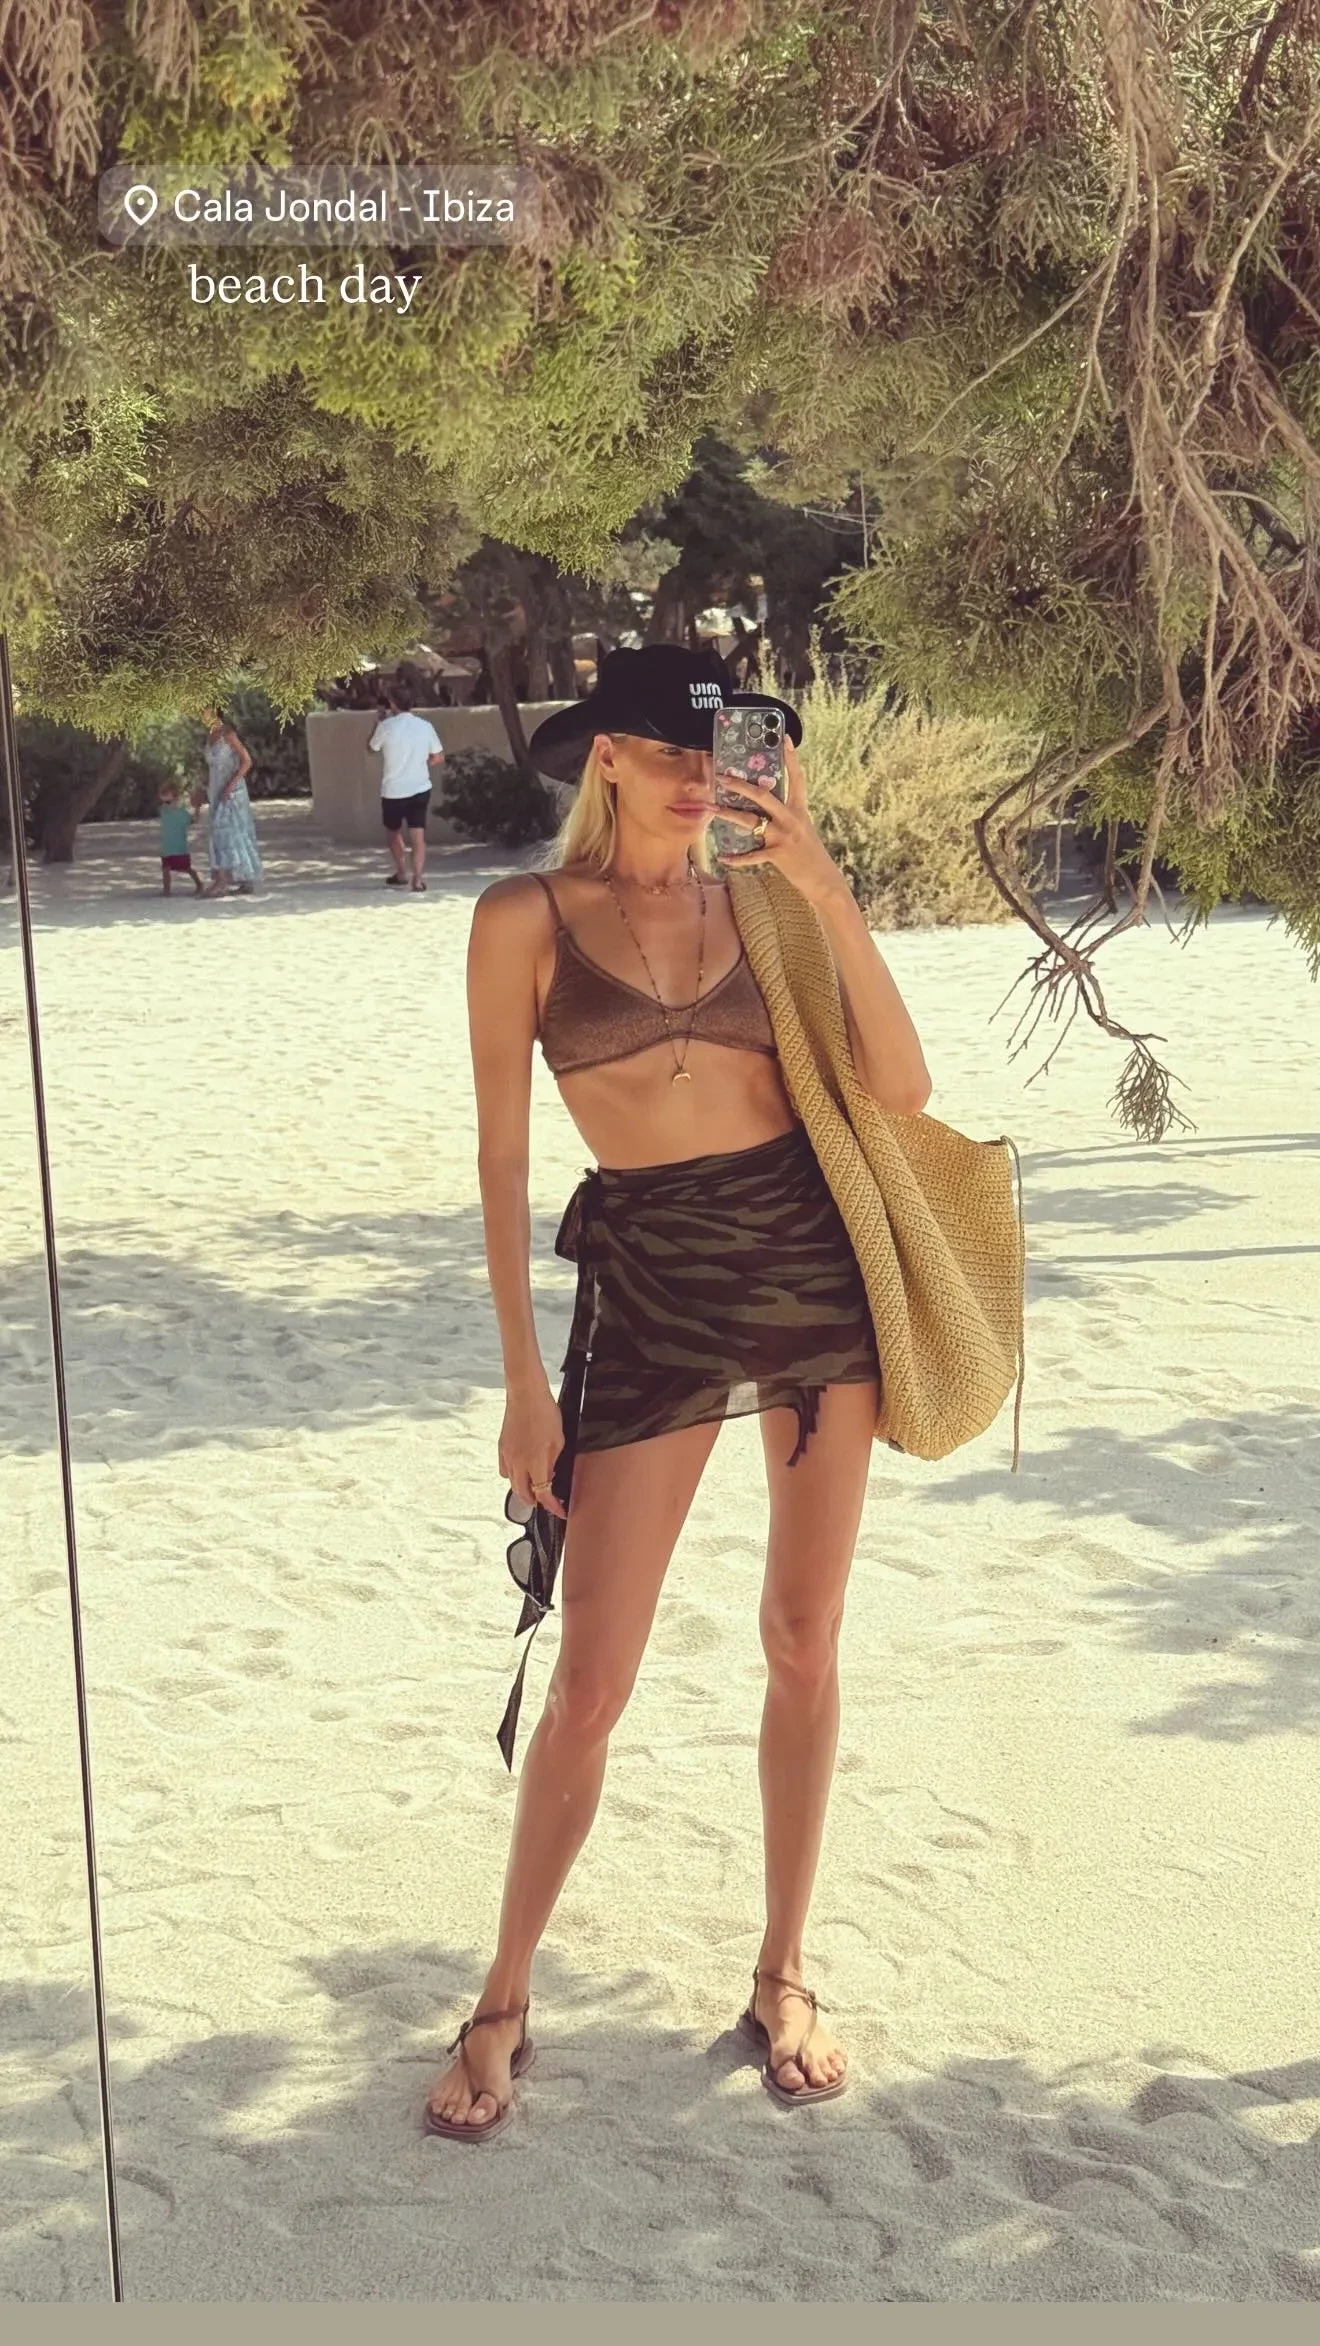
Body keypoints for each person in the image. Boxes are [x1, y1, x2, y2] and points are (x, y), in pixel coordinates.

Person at [424, 643, 932, 2144]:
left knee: (803, 1634)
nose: (703, 777)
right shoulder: (522, 920)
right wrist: (524, 1380)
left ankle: (784, 1972)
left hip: (807, 1274)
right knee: (591, 1679)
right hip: (646, 1288)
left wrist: (825, 883)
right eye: (672, 751)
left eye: (720, 751)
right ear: (606, 755)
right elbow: (503, 1157)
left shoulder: (768, 904)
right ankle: (502, 1995)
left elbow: (901, 1088)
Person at [369, 681, 445, 892]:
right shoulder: (425, 726)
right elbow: (438, 756)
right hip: (419, 788)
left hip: (393, 790)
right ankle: (418, 879)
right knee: (418, 835)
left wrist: (378, 722)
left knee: (393, 832)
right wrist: (422, 763)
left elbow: (372, 747)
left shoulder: (386, 727)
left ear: (393, 703)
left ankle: (402, 872)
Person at [194, 710, 262, 897]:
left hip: (232, 791)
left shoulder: (228, 734)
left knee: (228, 832)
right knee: (222, 834)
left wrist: (231, 785)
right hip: (215, 790)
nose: (202, 715)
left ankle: (224, 881)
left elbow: (247, 761)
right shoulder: (210, 736)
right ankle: (237, 880)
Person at [158, 783, 204, 896]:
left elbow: (194, 820)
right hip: (167, 848)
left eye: (168, 801)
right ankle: (166, 890)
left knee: (187, 868)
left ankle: (199, 884)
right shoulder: (163, 811)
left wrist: (197, 808)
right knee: (165, 869)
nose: (166, 804)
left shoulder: (181, 813)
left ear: (175, 799)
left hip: (179, 848)